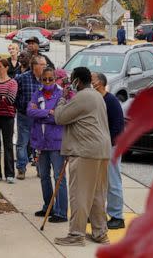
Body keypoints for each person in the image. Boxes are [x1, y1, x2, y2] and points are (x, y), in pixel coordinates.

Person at [53, 67, 111, 247]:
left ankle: (76, 234)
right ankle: (100, 232)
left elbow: (60, 117)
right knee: (96, 194)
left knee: (79, 193)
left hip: (85, 151)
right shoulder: (96, 96)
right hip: (100, 150)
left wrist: (63, 97)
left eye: (72, 80)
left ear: (76, 81)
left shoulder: (83, 97)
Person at [27, 67, 68, 223]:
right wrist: (48, 113)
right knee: (44, 176)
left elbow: (59, 116)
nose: (48, 82)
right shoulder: (37, 94)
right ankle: (48, 206)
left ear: (55, 78)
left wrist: (44, 114)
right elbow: (30, 112)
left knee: (59, 177)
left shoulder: (61, 94)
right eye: (45, 79)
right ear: (41, 80)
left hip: (56, 143)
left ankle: (61, 211)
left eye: (51, 79)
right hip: (41, 142)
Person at [92, 72, 126, 230]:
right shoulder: (95, 100)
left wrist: (107, 143)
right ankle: (99, 213)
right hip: (99, 146)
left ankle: (117, 216)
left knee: (113, 182)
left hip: (111, 146)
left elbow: (118, 126)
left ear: (99, 83)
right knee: (99, 182)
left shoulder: (111, 101)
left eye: (92, 79)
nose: (90, 81)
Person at [14, 55, 47, 179]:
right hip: (25, 115)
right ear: (35, 66)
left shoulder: (46, 79)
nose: (45, 67)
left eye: (45, 65)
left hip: (40, 117)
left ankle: (40, 169)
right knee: (22, 143)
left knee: (39, 144)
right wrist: (20, 107)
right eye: (42, 65)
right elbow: (14, 95)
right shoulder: (22, 78)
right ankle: (21, 169)